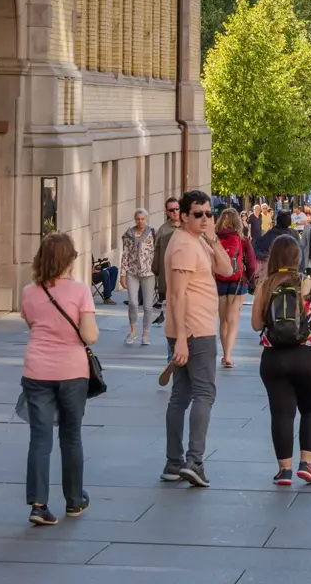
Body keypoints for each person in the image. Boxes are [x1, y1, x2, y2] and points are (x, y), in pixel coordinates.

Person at [21, 232, 98, 525]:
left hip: (36, 370)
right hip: (72, 372)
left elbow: (31, 323)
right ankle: (75, 501)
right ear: (68, 260)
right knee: (71, 435)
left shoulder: (29, 291)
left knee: (39, 438)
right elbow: (89, 335)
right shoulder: (79, 292)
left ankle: (38, 505)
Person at [161, 190, 233, 488]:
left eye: (209, 213)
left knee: (183, 394)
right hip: (193, 330)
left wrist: (213, 237)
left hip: (196, 328)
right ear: (184, 216)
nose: (205, 219)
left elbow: (228, 270)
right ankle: (193, 460)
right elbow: (176, 295)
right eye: (199, 214)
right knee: (203, 393)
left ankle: (175, 462)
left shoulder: (199, 241)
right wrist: (180, 338)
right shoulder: (182, 246)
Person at [252, 235, 311, 486]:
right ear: (298, 257)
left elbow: (256, 325)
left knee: (281, 414)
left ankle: (283, 469)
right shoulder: (310, 284)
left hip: (275, 358)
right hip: (308, 355)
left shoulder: (265, 286)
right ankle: (307, 464)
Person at [215, 207, 256, 368]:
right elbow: (252, 264)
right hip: (238, 281)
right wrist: (247, 277)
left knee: (223, 320)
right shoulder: (243, 240)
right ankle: (228, 356)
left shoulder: (215, 239)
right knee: (233, 320)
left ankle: (224, 352)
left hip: (218, 281)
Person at [121, 209, 156, 346]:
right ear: (134, 219)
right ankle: (133, 331)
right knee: (133, 303)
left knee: (148, 305)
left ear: (146, 219)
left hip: (149, 272)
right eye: (138, 219)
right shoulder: (128, 234)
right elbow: (125, 254)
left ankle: (145, 334)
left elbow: (156, 253)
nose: (140, 221)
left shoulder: (152, 233)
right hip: (132, 271)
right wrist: (122, 274)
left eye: (142, 219)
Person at [152, 197, 181, 327]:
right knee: (171, 314)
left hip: (188, 277)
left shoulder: (189, 226)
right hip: (168, 278)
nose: (175, 212)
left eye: (177, 208)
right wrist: (158, 277)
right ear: (167, 212)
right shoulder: (163, 230)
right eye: (172, 210)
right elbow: (156, 255)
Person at [256, 209, 297, 281]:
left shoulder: (271, 234)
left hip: (277, 271)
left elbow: (259, 250)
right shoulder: (293, 234)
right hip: (286, 270)